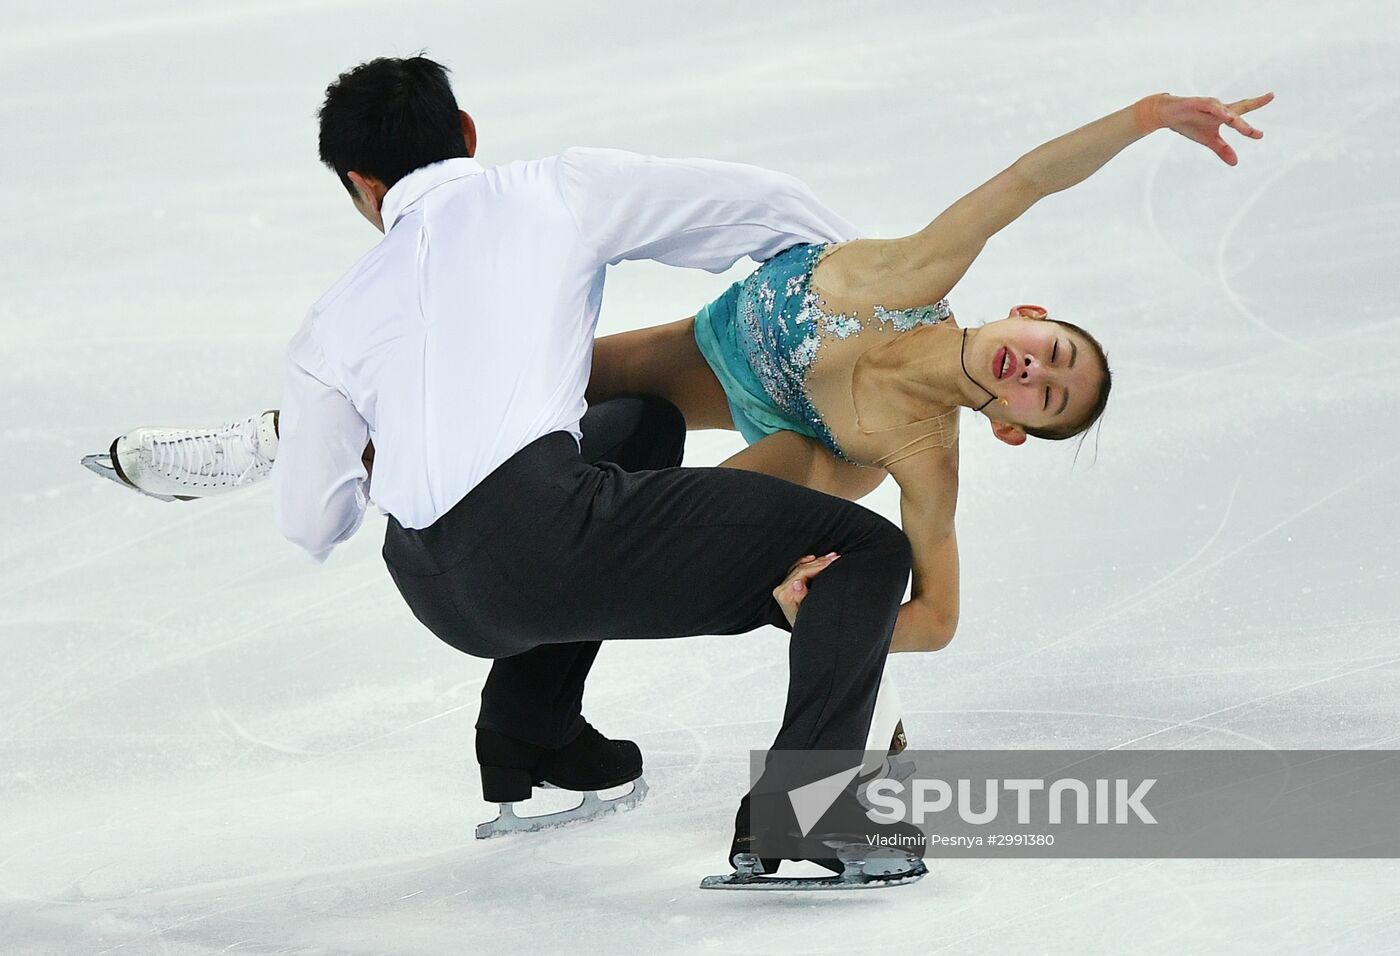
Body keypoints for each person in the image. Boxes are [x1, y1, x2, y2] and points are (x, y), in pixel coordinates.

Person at [81, 56, 1272, 879]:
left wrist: (794, 608)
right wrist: (1143, 116)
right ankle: (772, 804)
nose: (1035, 371)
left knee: (806, 543)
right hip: (736, 335)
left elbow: (935, 611)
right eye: (1053, 351)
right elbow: (1020, 181)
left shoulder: (922, 448)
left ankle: (303, 444)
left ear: (1011, 427)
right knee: (581, 402)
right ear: (1031, 310)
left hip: (687, 463)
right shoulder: (911, 268)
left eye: (1046, 398)